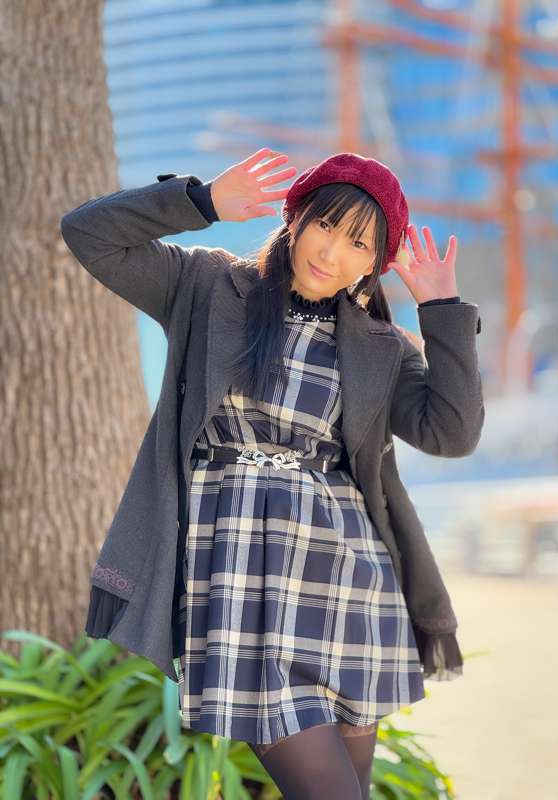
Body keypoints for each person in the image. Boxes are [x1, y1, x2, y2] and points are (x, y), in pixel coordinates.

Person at [65, 148, 483, 800]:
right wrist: (202, 202)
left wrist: (442, 310)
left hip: (350, 586)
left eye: (358, 244)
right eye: (326, 225)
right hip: (240, 583)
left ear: (375, 265)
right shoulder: (207, 287)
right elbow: (89, 233)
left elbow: (452, 434)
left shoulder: (380, 347)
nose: (331, 252)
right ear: (297, 217)